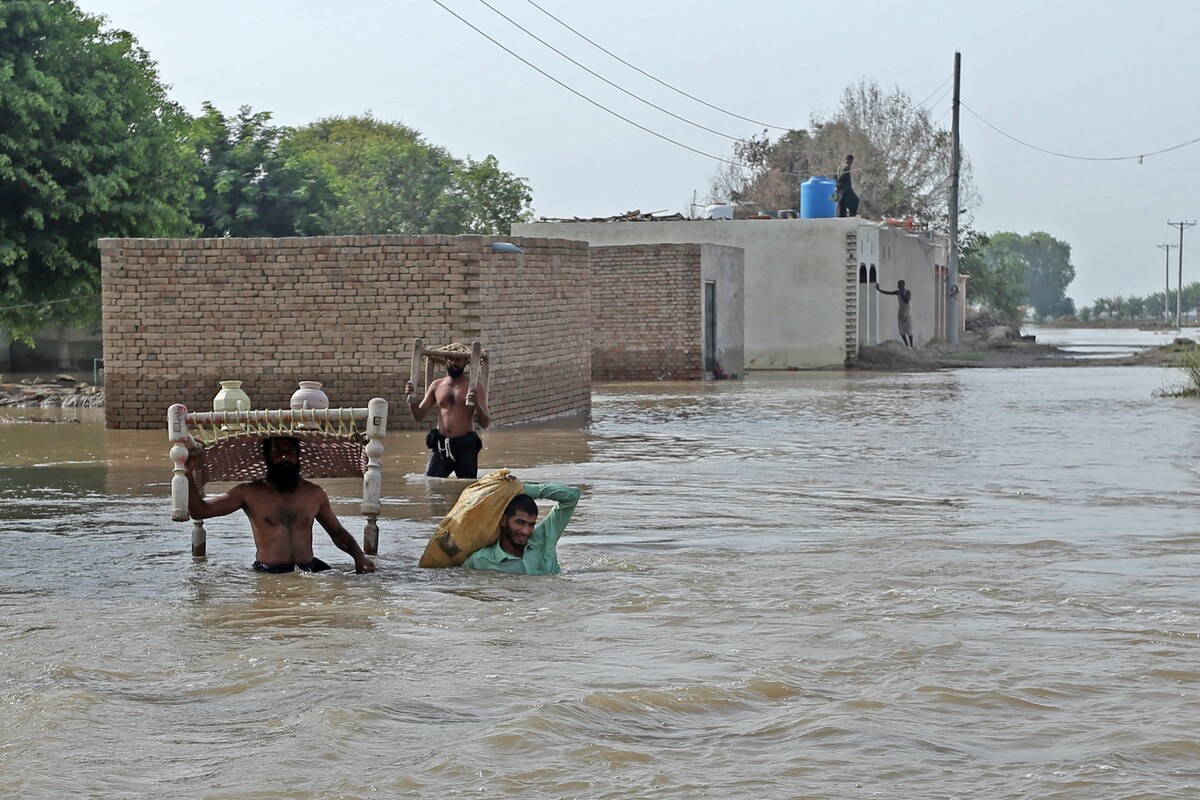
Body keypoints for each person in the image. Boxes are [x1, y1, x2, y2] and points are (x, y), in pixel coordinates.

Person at [185, 435, 376, 574]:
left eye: (290, 452)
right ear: (266, 458)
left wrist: (359, 557)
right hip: (269, 571)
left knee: (371, 582)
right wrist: (187, 473)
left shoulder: (314, 494)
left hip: (310, 569)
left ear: (298, 456)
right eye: (278, 452)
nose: (285, 457)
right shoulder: (249, 492)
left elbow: (337, 532)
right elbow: (200, 510)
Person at [405, 344, 491, 479]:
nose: (454, 363)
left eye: (458, 360)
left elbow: (485, 423)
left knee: (466, 488)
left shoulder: (474, 386)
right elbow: (418, 416)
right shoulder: (437, 385)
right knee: (432, 484)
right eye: (450, 359)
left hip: (465, 446)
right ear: (445, 360)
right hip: (441, 444)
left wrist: (477, 404)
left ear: (465, 362)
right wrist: (412, 399)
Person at [462, 479, 580, 575]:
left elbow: (572, 496)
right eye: (520, 523)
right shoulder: (480, 561)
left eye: (531, 524)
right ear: (503, 520)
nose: (526, 531)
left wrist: (522, 488)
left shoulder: (543, 537)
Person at [876, 280, 914, 347]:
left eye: (900, 285)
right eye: (898, 285)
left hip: (908, 313)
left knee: (909, 329)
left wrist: (902, 294)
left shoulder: (907, 292)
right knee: (901, 330)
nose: (899, 287)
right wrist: (879, 290)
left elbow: (906, 301)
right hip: (901, 312)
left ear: (903, 286)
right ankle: (906, 344)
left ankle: (911, 345)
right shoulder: (897, 292)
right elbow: (888, 293)